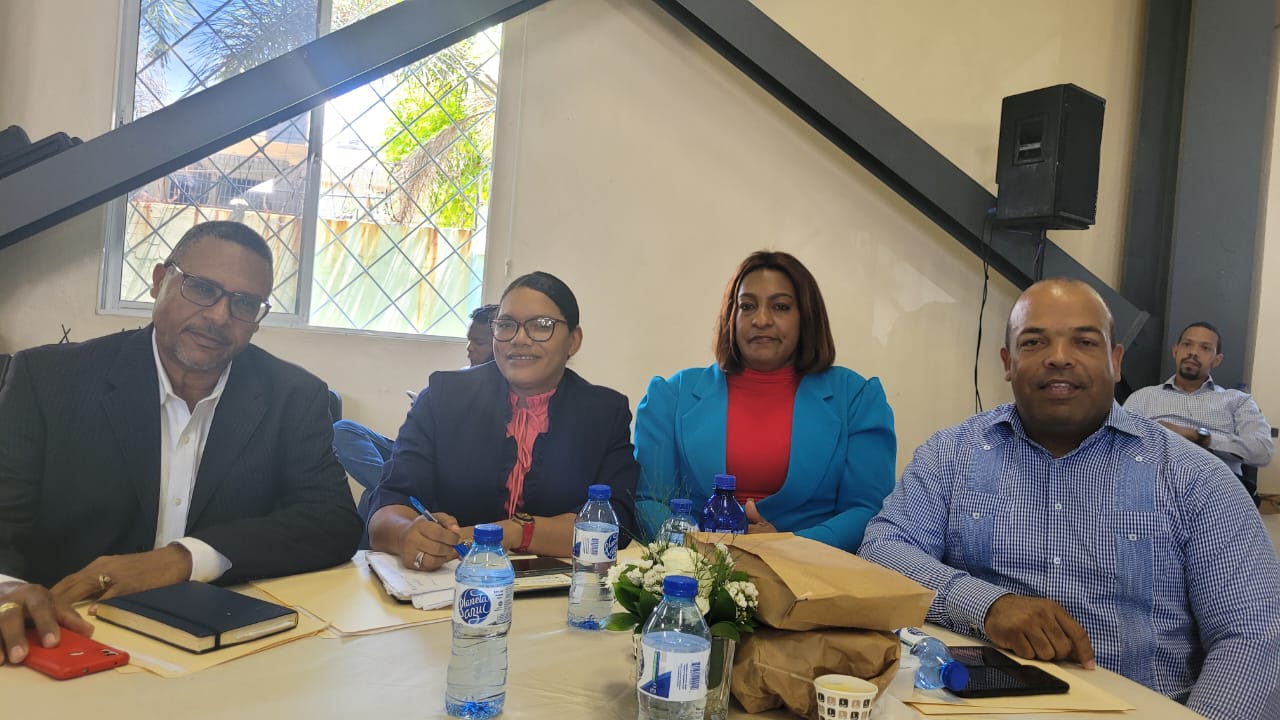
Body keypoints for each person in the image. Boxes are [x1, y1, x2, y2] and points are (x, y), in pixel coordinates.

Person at [858, 278, 1280, 718]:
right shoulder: (952, 454)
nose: (1059, 357)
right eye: (1034, 341)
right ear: (1008, 362)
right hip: (961, 705)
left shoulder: (1196, 479)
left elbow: (1254, 637)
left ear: (1115, 361)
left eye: (1084, 341)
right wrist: (986, 605)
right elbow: (883, 550)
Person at [0, 220, 361, 666]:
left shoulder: (295, 396)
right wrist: (6, 589)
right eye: (203, 288)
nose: (220, 316)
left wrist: (185, 559)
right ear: (159, 282)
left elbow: (332, 522)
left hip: (221, 648)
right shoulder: (48, 381)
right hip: (69, 637)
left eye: (245, 303)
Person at [367, 272, 639, 570]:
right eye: (507, 325)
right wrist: (406, 534)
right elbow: (388, 502)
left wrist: (514, 532)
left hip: (560, 585)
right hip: (446, 578)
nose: (519, 339)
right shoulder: (443, 397)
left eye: (541, 325)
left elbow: (615, 522)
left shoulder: (604, 412)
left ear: (574, 341)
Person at [632, 251, 896, 552]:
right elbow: (649, 501)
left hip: (811, 571)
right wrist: (699, 549)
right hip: (694, 569)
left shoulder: (856, 399)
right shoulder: (671, 396)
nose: (761, 320)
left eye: (780, 307)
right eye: (747, 306)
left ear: (806, 317)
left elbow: (866, 510)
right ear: (731, 316)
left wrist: (785, 548)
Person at [332, 303, 499, 505]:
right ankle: (395, 494)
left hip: (446, 466)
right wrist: (424, 411)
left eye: (478, 343)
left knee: (370, 498)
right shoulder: (460, 377)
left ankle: (392, 497)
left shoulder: (504, 389)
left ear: (500, 344)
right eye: (469, 340)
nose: (469, 348)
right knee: (343, 430)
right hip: (422, 454)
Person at [1123, 321, 1274, 500]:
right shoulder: (1142, 398)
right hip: (1155, 486)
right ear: (1175, 351)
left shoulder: (1238, 400)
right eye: (1187, 344)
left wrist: (1200, 437)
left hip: (1217, 489)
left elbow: (1262, 451)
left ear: (1216, 360)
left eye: (1205, 348)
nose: (1193, 352)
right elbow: (1117, 445)